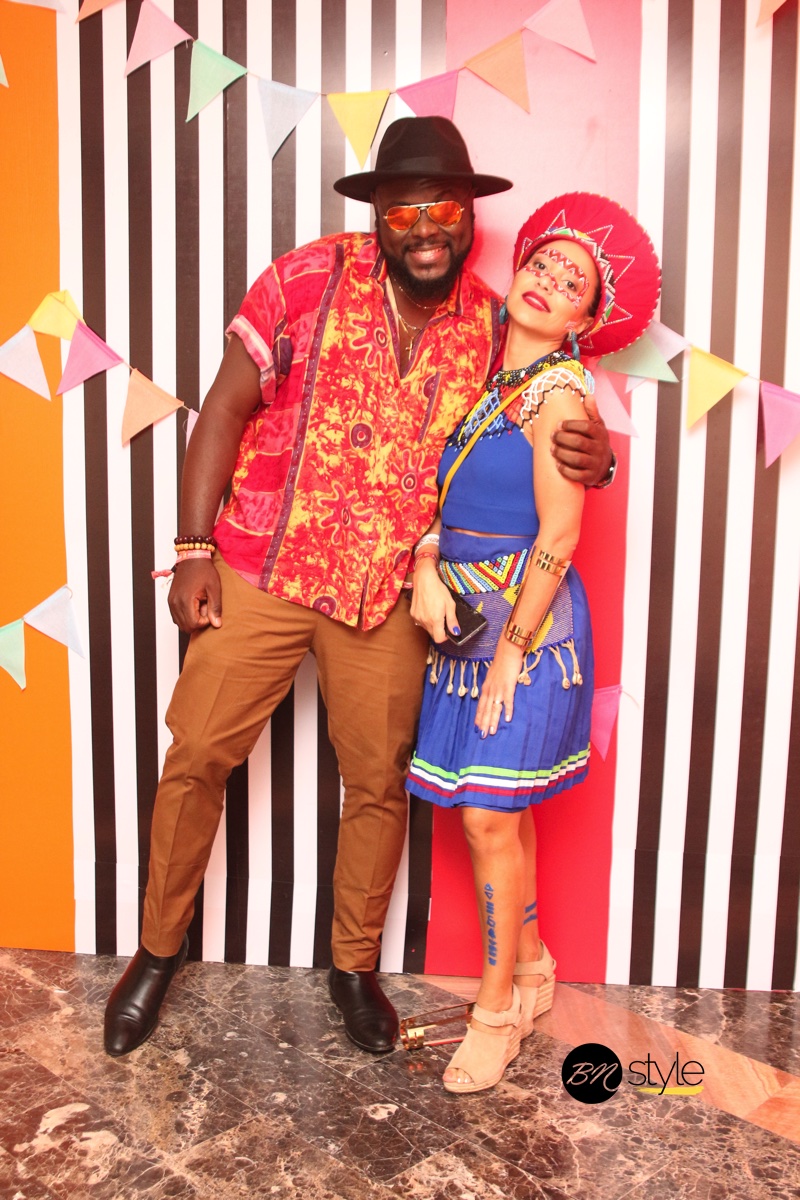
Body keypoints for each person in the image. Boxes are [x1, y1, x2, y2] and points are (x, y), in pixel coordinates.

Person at [103, 119, 614, 1060]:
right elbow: (225, 406)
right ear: (376, 213)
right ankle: (155, 953)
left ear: (470, 215)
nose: (426, 227)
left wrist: (597, 458)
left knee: (377, 782)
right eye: (404, 209)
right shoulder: (303, 279)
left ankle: (352, 968)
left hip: (389, 588)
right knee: (197, 752)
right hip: (264, 562)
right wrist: (192, 547)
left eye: (444, 208)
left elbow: (542, 396)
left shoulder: (492, 322)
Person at [406, 193, 661, 1092]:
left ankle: (496, 1013)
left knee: (486, 817)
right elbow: (438, 497)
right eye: (544, 263)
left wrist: (513, 649)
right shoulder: (487, 378)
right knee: (503, 812)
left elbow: (559, 536)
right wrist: (425, 564)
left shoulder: (560, 395)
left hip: (530, 626)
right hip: (462, 615)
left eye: (573, 282)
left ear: (585, 322)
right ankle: (535, 964)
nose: (550, 280)